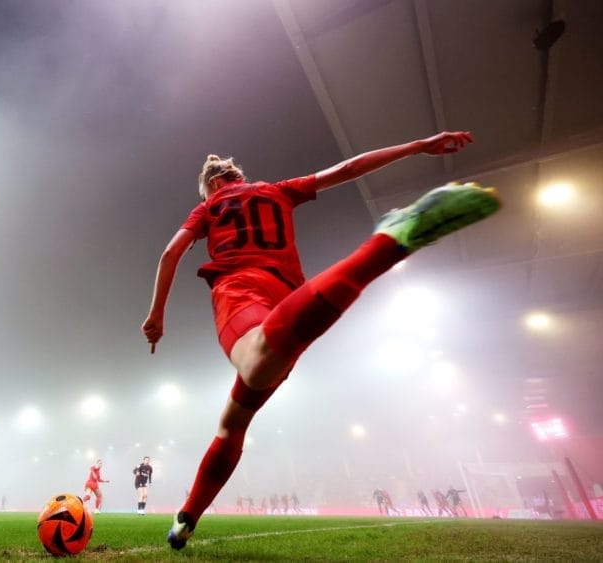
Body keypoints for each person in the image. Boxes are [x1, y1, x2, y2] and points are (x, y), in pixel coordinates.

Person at [142, 131, 500, 550]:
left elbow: (171, 253)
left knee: (255, 363)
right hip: (294, 302)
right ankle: (186, 520)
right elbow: (348, 169)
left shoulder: (208, 207)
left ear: (212, 186)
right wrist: (418, 146)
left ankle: (385, 245)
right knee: (233, 422)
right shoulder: (278, 190)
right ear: (236, 176)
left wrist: (156, 314)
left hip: (243, 294)